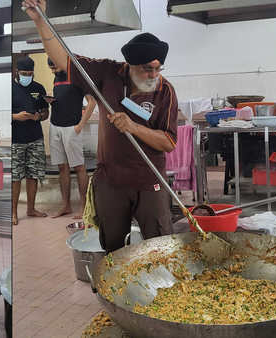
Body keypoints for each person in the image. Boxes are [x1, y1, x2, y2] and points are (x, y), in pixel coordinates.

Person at [23, 0, 178, 254]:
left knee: (159, 245)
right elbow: (63, 58)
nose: (154, 75)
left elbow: (169, 143)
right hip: (111, 180)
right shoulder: (107, 73)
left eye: (158, 69)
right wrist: (39, 19)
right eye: (147, 69)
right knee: (112, 245)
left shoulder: (165, 91)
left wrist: (134, 127)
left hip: (149, 178)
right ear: (130, 66)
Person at [44, 57, 96, 219]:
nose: (54, 71)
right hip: (55, 125)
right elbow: (67, 100)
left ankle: (83, 206)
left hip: (72, 128)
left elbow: (92, 102)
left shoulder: (78, 77)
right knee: (62, 167)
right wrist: (51, 101)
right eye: (51, 69)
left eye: (55, 68)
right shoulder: (56, 78)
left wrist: (80, 125)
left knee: (79, 167)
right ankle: (65, 205)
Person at [12, 56, 50, 225]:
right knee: (16, 177)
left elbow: (45, 112)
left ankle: (31, 208)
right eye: (24, 73)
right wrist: (15, 116)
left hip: (35, 138)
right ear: (17, 72)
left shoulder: (38, 87)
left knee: (33, 174)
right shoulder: (9, 88)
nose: (27, 76)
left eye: (30, 73)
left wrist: (38, 117)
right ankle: (13, 212)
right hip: (16, 140)